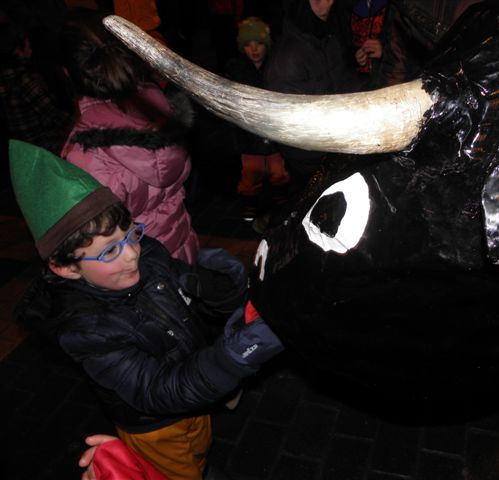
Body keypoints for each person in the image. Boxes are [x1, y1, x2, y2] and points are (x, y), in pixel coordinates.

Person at [10, 139, 284, 480]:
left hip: (197, 383)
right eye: (109, 251)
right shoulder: (84, 331)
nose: (132, 254)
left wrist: (223, 287)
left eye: (130, 234)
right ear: (65, 268)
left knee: (199, 445)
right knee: (177, 468)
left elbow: (181, 282)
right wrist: (234, 356)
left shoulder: (147, 252)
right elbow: (157, 391)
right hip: (155, 425)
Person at [58, 10, 199, 263]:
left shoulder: (86, 155)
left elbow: (97, 244)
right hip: (181, 249)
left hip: (137, 270)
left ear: (67, 73)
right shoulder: (163, 109)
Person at [264, 0, 364, 196]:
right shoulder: (286, 59)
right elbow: (292, 128)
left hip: (338, 149)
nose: (329, 3)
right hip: (312, 161)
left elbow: (341, 83)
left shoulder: (328, 37)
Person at [225, 16, 289, 229]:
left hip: (273, 137)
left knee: (279, 172)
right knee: (251, 175)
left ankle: (281, 199)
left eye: (259, 43)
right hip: (248, 138)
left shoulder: (277, 66)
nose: (254, 49)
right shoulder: (236, 70)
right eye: (248, 45)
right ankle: (250, 202)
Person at [0, 20, 72, 154]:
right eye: (26, 41)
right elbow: (55, 115)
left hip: (23, 148)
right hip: (46, 146)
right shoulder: (25, 80)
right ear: (17, 49)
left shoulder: (6, 77)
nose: (30, 44)